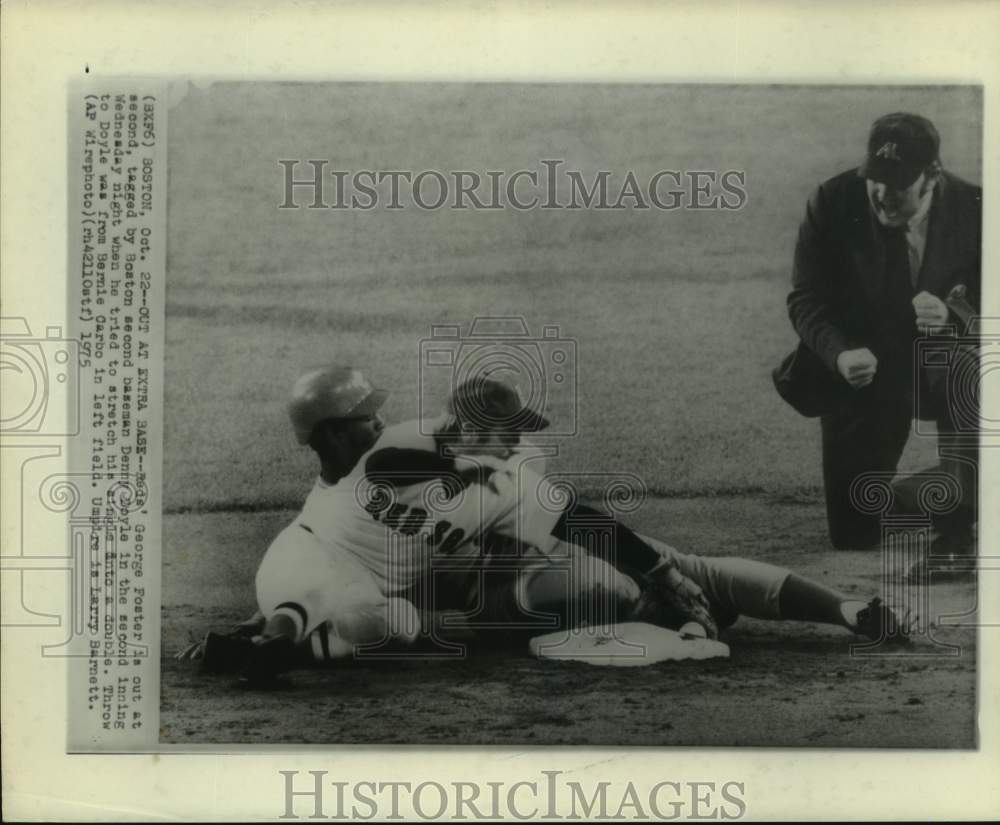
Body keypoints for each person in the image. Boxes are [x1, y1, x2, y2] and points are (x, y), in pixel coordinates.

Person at [192, 367, 910, 684]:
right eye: (502, 433)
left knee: (387, 621)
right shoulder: (396, 448)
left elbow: (579, 516)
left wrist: (659, 573)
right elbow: (397, 459)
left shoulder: (506, 476)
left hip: (401, 585)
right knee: (374, 617)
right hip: (313, 556)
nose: (517, 442)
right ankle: (275, 635)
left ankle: (848, 609)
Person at [783, 112, 980, 553]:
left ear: (932, 176)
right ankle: (968, 490)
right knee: (855, 532)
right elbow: (806, 299)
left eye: (898, 185)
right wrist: (839, 354)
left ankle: (959, 515)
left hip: (943, 367)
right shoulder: (832, 202)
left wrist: (955, 315)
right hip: (866, 370)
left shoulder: (977, 208)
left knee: (969, 362)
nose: (882, 195)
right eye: (876, 178)